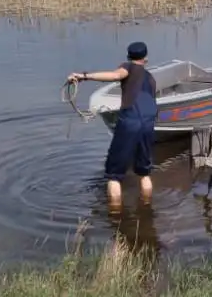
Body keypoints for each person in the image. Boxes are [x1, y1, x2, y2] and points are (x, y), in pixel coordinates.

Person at [67, 41, 158, 208]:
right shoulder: (150, 78)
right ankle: (147, 207)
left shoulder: (128, 67)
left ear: (129, 57)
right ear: (146, 58)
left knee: (114, 175)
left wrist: (84, 76)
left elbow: (116, 76)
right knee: (144, 172)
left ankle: (115, 214)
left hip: (131, 120)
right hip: (149, 122)